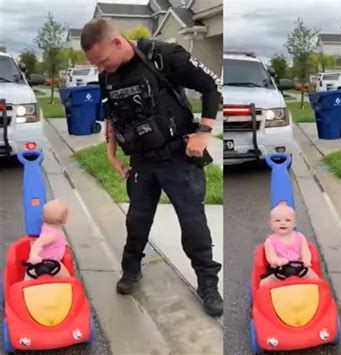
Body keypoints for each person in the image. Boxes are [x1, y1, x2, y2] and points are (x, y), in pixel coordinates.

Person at [80, 19, 223, 317]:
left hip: (177, 157)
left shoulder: (164, 56)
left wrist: (204, 131)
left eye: (105, 60)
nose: (103, 69)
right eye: (98, 65)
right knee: (137, 220)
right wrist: (111, 154)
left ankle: (208, 284)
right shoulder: (107, 75)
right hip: (141, 161)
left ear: (118, 42)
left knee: (193, 224)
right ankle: (131, 270)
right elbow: (112, 116)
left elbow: (211, 86)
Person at [260, 203, 318, 286]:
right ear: (271, 225)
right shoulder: (270, 241)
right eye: (277, 220)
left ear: (294, 224)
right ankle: (260, 297)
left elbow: (305, 251)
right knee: (263, 283)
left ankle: (322, 296)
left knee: (316, 279)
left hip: (301, 269)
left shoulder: (300, 237)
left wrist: (306, 260)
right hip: (279, 271)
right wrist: (277, 261)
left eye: (287, 220)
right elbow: (271, 257)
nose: (282, 223)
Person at [26, 199, 70, 279]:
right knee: (67, 278)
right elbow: (37, 244)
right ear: (64, 220)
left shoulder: (50, 227)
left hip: (50, 263)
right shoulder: (51, 235)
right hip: (47, 264)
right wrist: (33, 256)